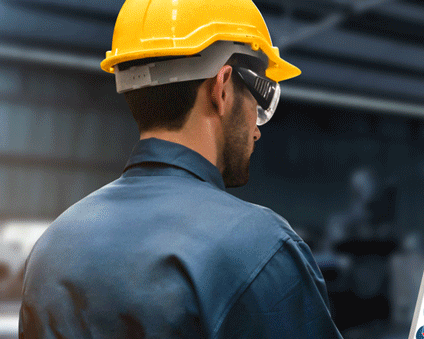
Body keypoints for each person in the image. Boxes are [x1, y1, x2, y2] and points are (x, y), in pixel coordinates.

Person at [19, 1, 341, 338]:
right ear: (223, 88)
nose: (257, 128)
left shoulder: (51, 251)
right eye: (255, 103)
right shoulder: (260, 251)